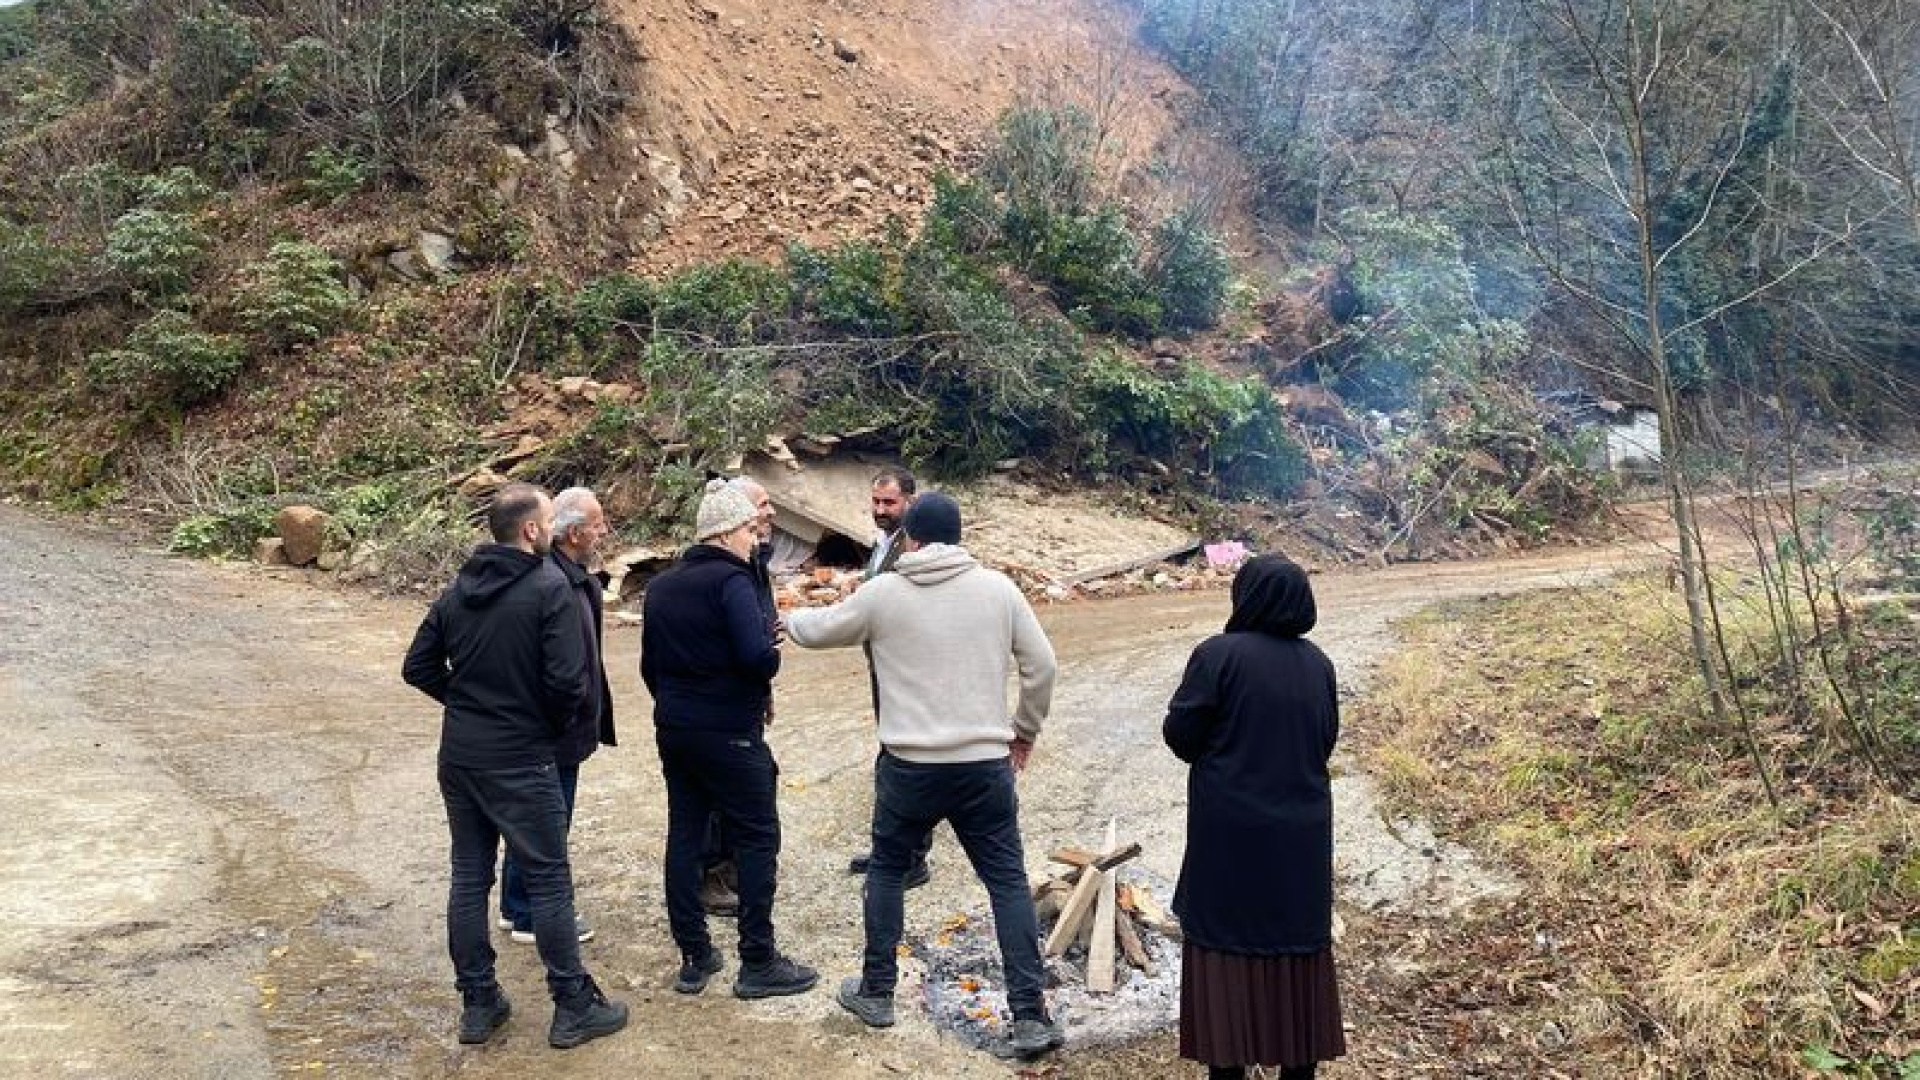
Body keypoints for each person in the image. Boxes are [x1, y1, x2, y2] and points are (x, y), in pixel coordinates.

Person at [785, 492, 1066, 1057]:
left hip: (909, 767)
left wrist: (787, 616)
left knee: (888, 872)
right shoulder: (998, 590)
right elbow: (1043, 666)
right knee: (1006, 882)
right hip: (983, 766)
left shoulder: (884, 593)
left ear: (908, 539)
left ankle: (877, 992)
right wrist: (1024, 731)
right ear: (960, 537)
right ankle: (1029, 1016)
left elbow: (818, 631)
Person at [401, 483, 629, 1050]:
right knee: (549, 881)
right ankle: (573, 1005)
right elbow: (569, 684)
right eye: (549, 519)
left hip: (462, 756)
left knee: (468, 877)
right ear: (531, 530)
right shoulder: (550, 587)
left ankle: (479, 1003)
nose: (553, 527)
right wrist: (536, 726)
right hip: (522, 757)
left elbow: (419, 666)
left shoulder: (458, 588)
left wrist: (467, 704)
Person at [1162, 555, 1346, 1080]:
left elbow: (1181, 736)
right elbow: (1325, 740)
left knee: (1226, 948)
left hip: (1229, 838)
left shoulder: (1217, 656)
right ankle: (1298, 1067)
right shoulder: (1319, 664)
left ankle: (1229, 1067)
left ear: (1245, 598)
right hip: (1300, 839)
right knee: (1297, 951)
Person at [641, 480, 818, 1000]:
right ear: (722, 534)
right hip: (730, 732)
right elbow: (755, 657)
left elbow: (650, 666)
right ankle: (758, 960)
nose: (754, 537)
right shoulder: (733, 581)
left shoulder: (662, 587)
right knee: (757, 837)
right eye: (747, 529)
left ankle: (694, 955)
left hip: (676, 729)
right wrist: (773, 649)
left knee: (685, 834)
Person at [497, 486, 616, 945]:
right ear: (572, 533)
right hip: (555, 729)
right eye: (597, 524)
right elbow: (559, 669)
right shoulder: (552, 583)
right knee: (547, 822)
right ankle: (530, 913)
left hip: (565, 725)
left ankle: (515, 904)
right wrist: (563, 718)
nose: (603, 532)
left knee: (536, 819)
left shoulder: (575, 577)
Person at [693, 475, 780, 918]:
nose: (769, 513)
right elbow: (747, 647)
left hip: (744, 698)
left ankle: (734, 866)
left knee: (754, 784)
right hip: (720, 711)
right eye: (760, 506)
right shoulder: (726, 574)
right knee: (724, 794)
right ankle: (714, 874)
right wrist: (765, 665)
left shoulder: (756, 560)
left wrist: (763, 691)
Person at [845, 467, 933, 890]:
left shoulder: (917, 548)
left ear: (910, 502)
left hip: (907, 671)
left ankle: (912, 858)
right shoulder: (883, 544)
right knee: (890, 758)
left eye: (889, 503)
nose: (880, 510)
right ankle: (891, 850)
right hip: (883, 668)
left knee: (907, 763)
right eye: (876, 502)